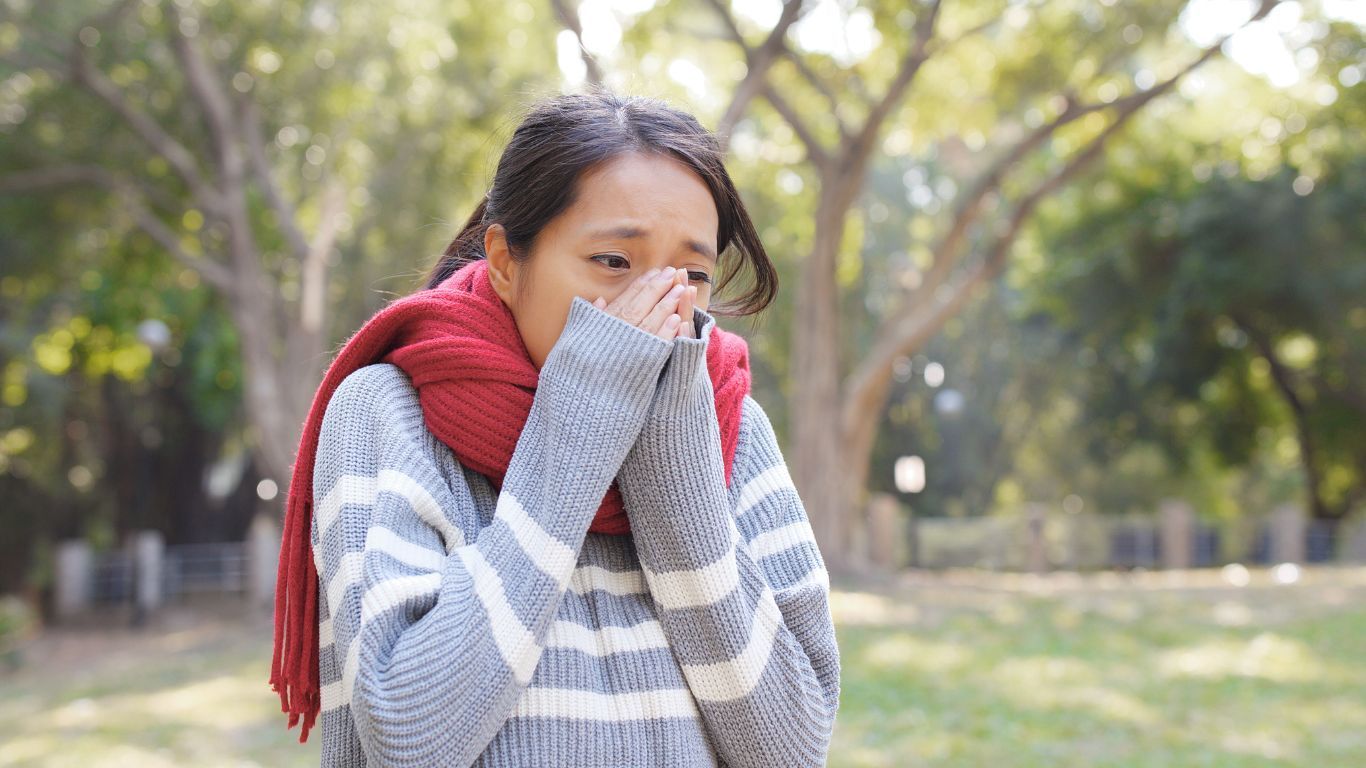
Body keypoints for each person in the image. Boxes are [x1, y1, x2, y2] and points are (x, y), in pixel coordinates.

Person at [269, 87, 840, 767]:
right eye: (613, 263)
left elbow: (792, 751)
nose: (659, 305)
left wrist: (675, 470)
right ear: (508, 261)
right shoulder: (387, 413)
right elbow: (409, 731)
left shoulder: (729, 427)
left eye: (692, 274)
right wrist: (575, 431)